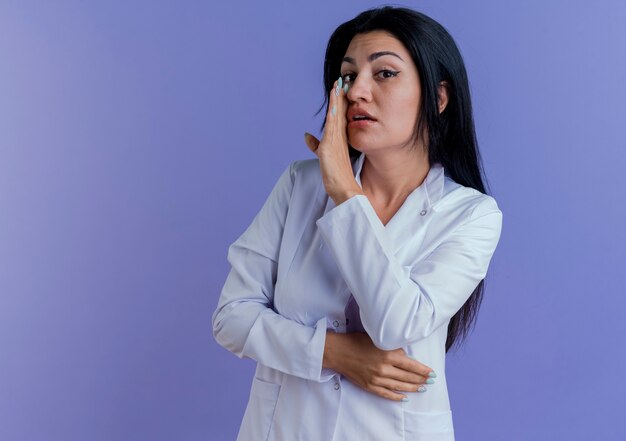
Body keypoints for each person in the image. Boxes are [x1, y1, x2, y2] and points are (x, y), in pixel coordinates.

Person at [212, 6, 503, 441]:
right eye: (347, 76)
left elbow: (395, 326)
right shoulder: (299, 184)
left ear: (439, 98)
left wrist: (346, 194)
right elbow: (232, 317)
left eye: (384, 73)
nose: (357, 92)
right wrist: (335, 354)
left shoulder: (471, 215)